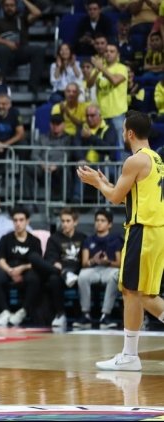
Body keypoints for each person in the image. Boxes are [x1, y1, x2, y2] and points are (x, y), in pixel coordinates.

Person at [77, 110, 164, 371]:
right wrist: (105, 181)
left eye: (123, 130)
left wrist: (96, 183)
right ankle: (129, 355)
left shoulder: (134, 160)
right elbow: (129, 194)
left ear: (129, 133)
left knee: (134, 291)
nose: (122, 134)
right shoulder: (156, 158)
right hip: (154, 230)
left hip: (143, 229)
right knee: (141, 294)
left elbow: (115, 198)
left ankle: (129, 356)